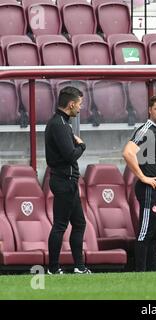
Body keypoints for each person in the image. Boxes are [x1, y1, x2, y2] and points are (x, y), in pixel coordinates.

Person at [45, 86, 91, 274]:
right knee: (60, 225)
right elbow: (70, 155)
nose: (80, 108)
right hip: (64, 181)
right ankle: (53, 268)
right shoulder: (60, 124)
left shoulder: (62, 123)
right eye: (79, 104)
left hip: (68, 181)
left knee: (79, 223)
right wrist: (82, 146)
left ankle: (79, 267)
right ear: (71, 104)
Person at [122, 95, 156, 272]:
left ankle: (153, 273)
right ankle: (140, 273)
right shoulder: (145, 129)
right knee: (145, 233)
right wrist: (143, 177)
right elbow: (128, 153)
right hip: (150, 189)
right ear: (150, 110)